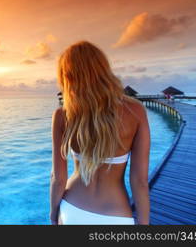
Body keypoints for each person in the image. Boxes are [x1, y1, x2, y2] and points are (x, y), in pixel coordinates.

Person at [50, 41, 150, 225]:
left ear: (68, 76)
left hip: (72, 207)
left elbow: (58, 178)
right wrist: (144, 223)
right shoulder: (135, 111)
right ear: (103, 69)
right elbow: (140, 181)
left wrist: (53, 213)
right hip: (115, 213)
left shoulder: (62, 115)